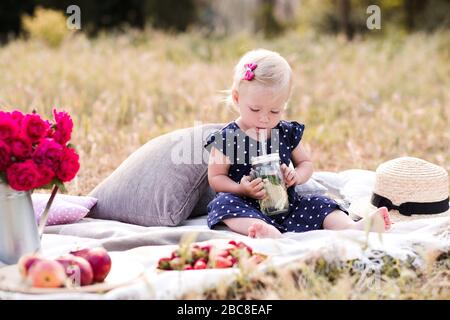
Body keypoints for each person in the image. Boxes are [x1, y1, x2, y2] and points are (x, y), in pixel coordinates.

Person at [204, 49, 391, 238]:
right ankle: (262, 229)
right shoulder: (228, 138)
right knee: (224, 204)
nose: (264, 119)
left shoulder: (285, 132)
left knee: (320, 203)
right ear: (237, 99)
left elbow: (306, 164)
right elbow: (216, 178)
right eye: (255, 109)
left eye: (275, 111)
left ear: (285, 104)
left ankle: (353, 227)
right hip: (245, 204)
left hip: (288, 205)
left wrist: (296, 176)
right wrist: (241, 189)